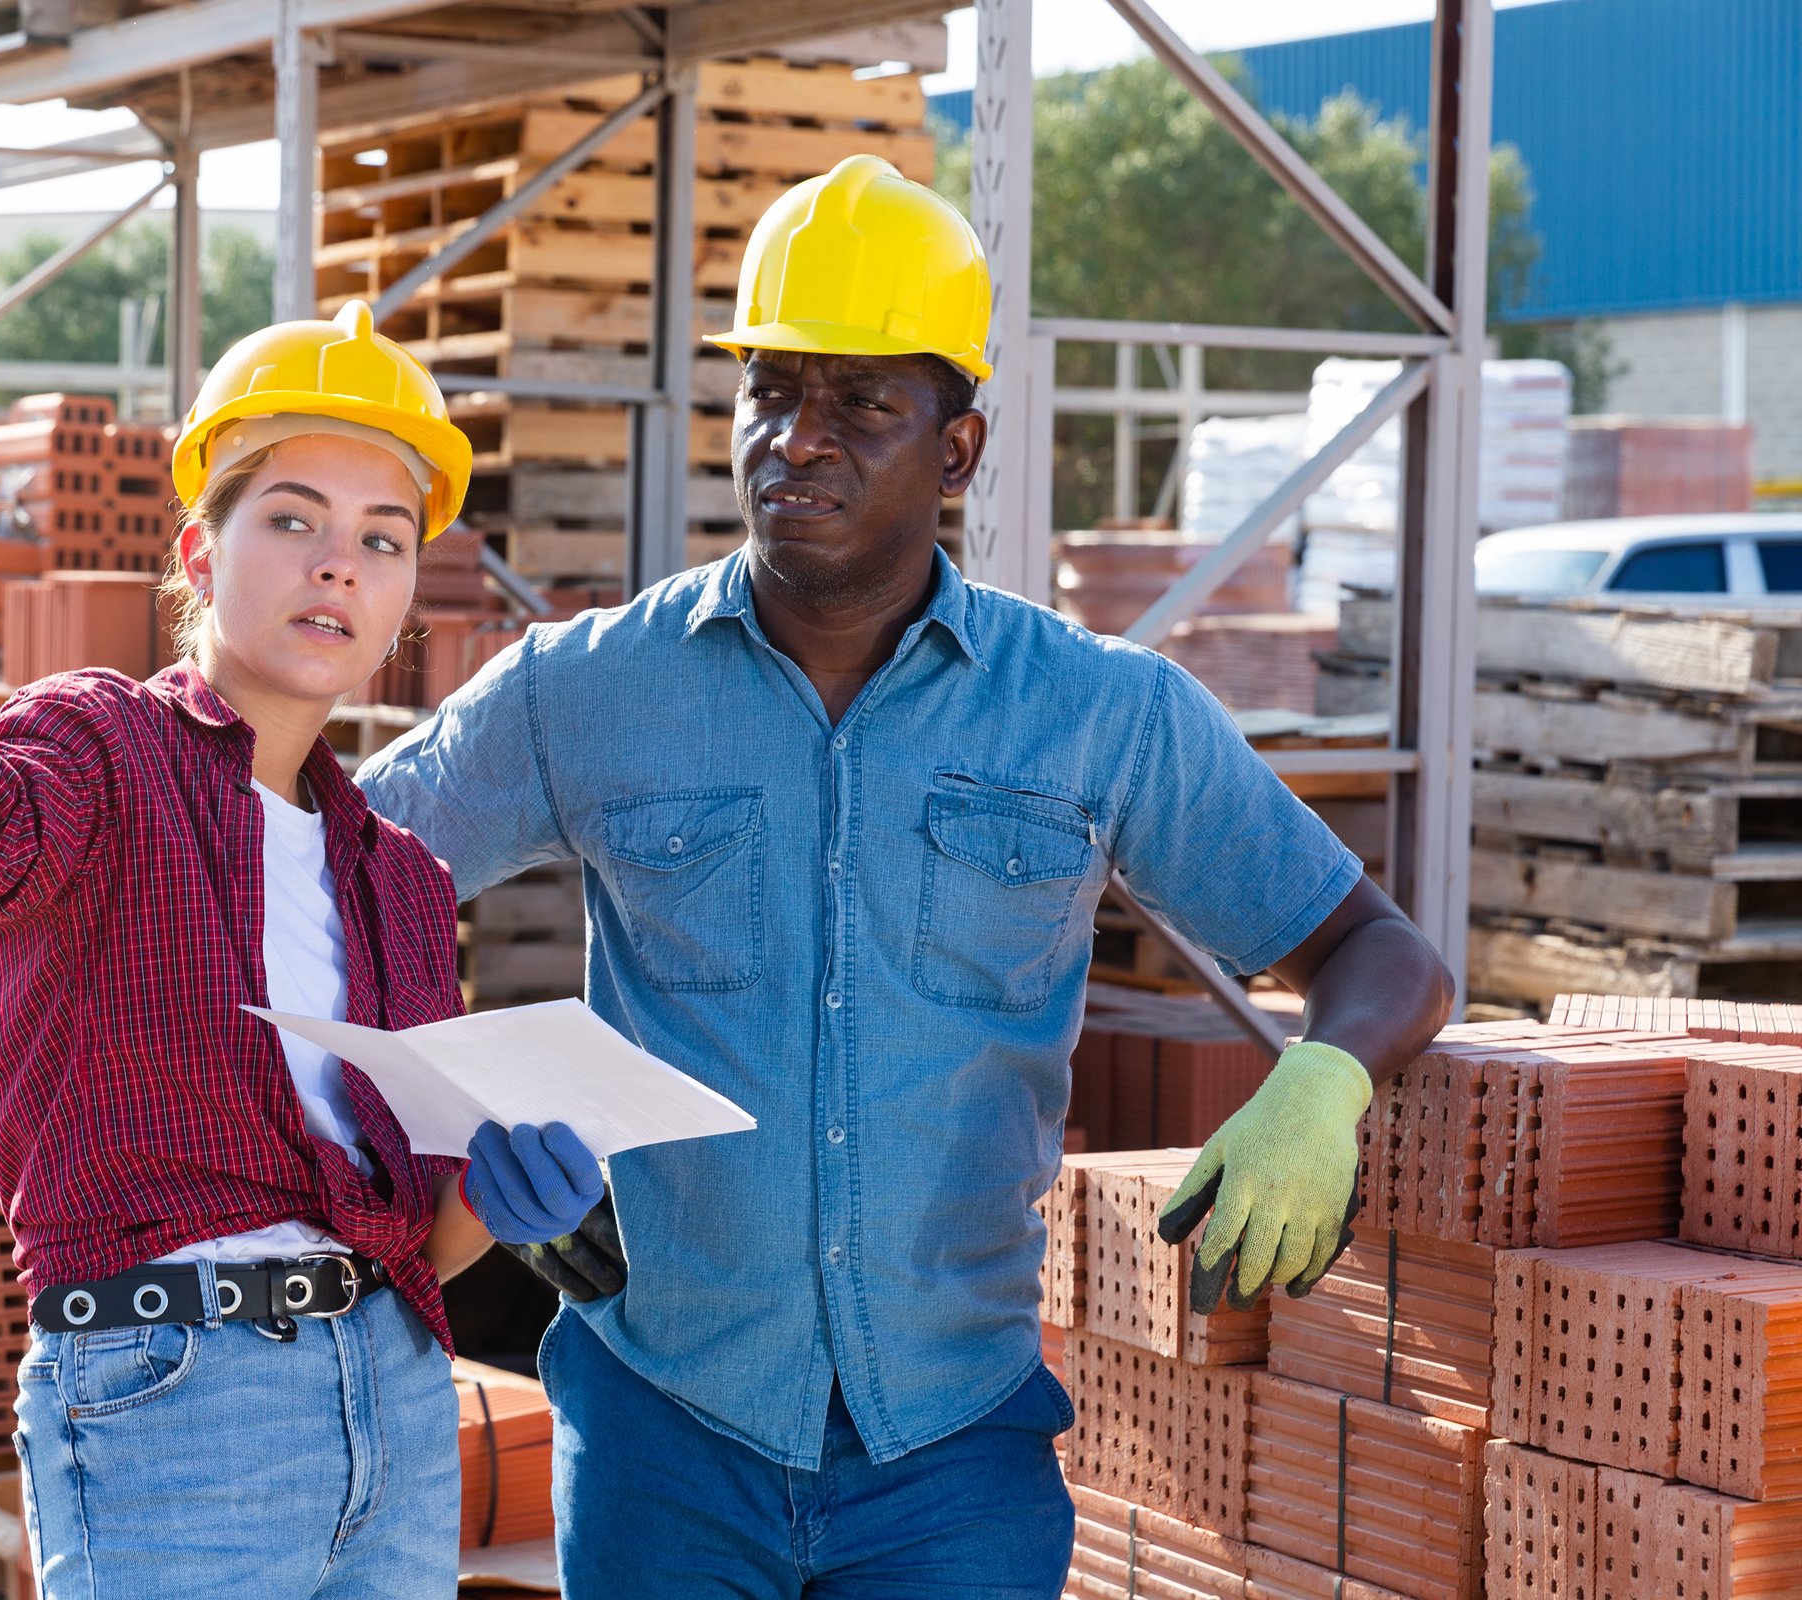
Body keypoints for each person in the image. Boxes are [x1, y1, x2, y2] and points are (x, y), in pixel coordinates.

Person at [357, 155, 1455, 1598]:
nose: (798, 440)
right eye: (771, 391)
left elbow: (1382, 956)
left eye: (863, 402)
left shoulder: (1099, 713)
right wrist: (463, 1127)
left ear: (957, 451)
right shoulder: (590, 691)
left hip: (955, 1461)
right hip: (661, 1443)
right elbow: (329, 891)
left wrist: (1324, 1083)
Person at [0, 301, 606, 1600]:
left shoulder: (403, 880)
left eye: (381, 539)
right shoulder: (103, 750)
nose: (337, 565)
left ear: (407, 591)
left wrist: (499, 1201)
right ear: (200, 547)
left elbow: (419, 1231)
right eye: (292, 519)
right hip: (181, 1396)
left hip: (401, 1413)